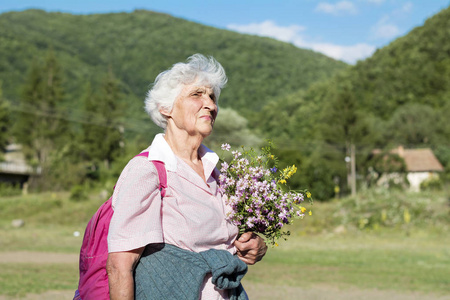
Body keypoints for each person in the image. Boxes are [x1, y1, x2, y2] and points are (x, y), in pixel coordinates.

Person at [106, 54, 267, 299]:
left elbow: (223, 242)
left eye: (212, 97)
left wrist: (252, 245)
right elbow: (119, 266)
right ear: (165, 108)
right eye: (197, 94)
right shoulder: (148, 170)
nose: (211, 105)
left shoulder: (219, 172)